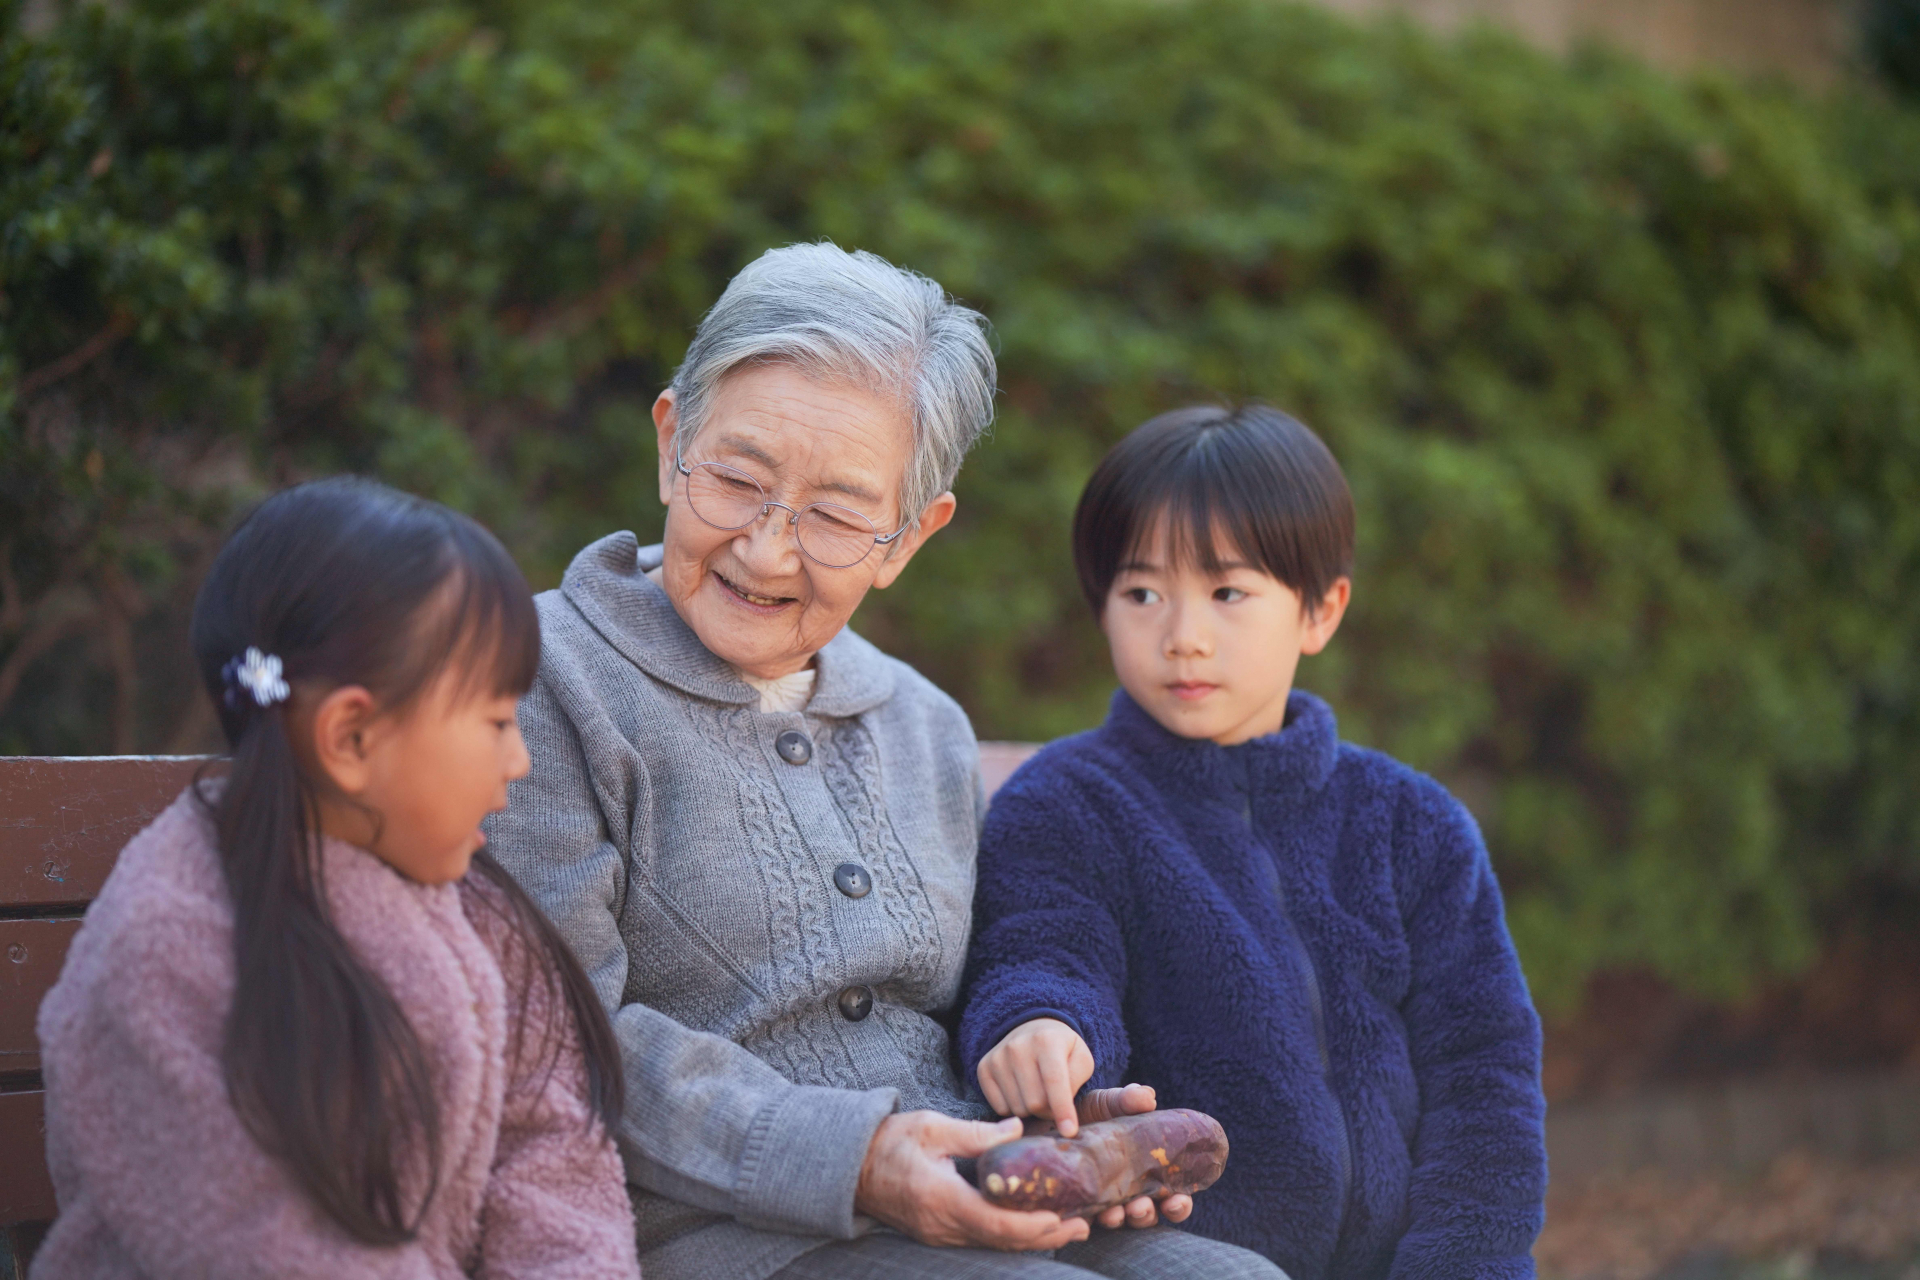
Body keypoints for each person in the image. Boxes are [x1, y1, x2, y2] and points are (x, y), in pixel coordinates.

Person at [482, 243, 1287, 1280]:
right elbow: (554, 1035)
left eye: (834, 513)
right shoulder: (542, 679)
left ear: (909, 534)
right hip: (715, 1232)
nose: (768, 550)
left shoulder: (923, 725)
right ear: (671, 440)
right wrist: (860, 1159)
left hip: (957, 1188)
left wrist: (1048, 1118)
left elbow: (950, 1019)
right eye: (736, 477)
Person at [958, 404, 1549, 1279]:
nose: (1182, 635)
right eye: (1142, 593)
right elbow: (1045, 948)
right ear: (1102, 609)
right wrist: (1039, 1023)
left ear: (1320, 610)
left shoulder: (1412, 825)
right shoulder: (1068, 804)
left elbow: (1485, 1073)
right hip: (1186, 1249)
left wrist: (1466, 1263)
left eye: (1228, 592)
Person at [33, 478, 640, 1279]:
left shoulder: (473, 900)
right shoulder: (172, 944)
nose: (519, 761)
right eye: (496, 722)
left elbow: (551, 1149)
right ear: (350, 736)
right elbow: (266, 1247)